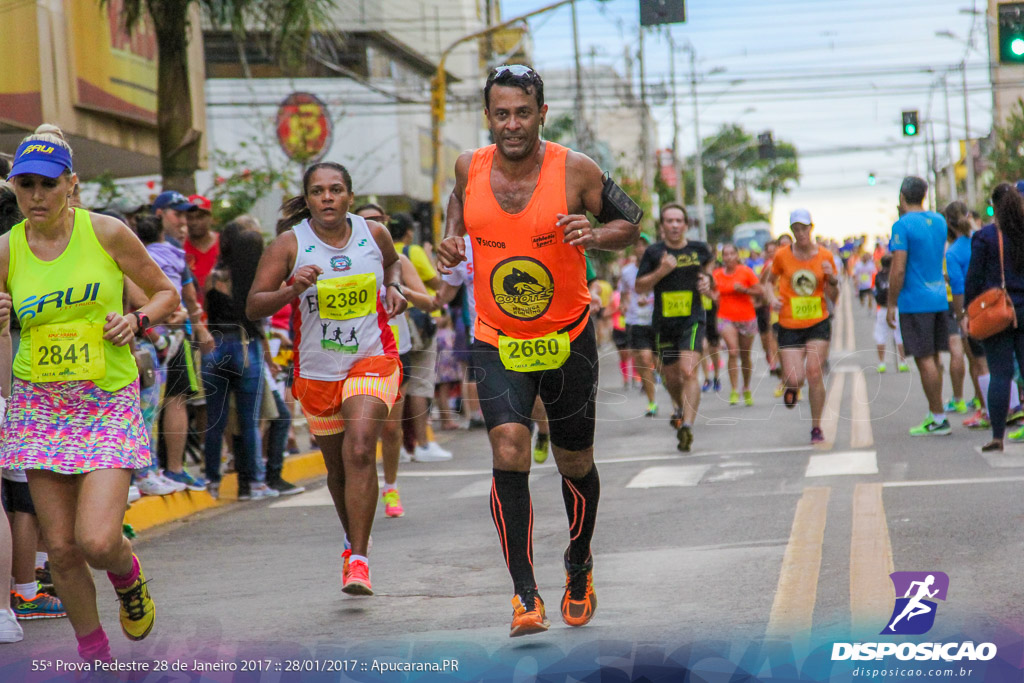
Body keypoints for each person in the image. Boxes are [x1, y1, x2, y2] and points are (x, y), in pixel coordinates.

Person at [435, 65, 639, 636]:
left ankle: (579, 563)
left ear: (541, 113)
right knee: (507, 444)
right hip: (497, 337)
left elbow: (630, 222)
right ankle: (525, 595)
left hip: (567, 335)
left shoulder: (576, 168)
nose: (512, 124)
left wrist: (594, 234)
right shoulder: (467, 166)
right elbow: (458, 205)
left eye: (523, 112)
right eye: (501, 113)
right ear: (488, 117)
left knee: (575, 460)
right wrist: (453, 239)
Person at [0, 125, 179, 658]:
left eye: (47, 185)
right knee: (60, 547)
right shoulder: (7, 250)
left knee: (97, 540)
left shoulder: (107, 233)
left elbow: (165, 293)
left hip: (105, 400)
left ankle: (127, 576)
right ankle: (93, 652)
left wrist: (137, 320)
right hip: (38, 404)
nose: (36, 196)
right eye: (25, 184)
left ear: (71, 185)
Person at [247, 162, 406, 595]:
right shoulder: (288, 245)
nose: (328, 198)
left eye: (336, 190)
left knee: (359, 450)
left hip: (372, 359)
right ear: (309, 199)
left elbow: (392, 266)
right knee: (337, 469)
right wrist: (291, 289)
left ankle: (358, 561)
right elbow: (254, 305)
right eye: (318, 192)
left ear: (350, 196)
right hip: (317, 372)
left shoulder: (373, 234)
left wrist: (394, 289)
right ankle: (354, 536)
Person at [635, 203, 712, 451]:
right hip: (664, 324)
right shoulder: (654, 253)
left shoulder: (699, 249)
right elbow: (640, 287)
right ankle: (680, 407)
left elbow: (709, 273)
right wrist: (661, 271)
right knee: (672, 378)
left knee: (689, 371)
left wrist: (707, 281)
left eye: (679, 221)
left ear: (686, 225)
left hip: (692, 319)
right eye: (669, 221)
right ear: (662, 226)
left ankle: (687, 426)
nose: (675, 225)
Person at [767, 209, 839, 444]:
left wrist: (833, 280)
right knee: (796, 378)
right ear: (792, 231)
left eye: (804, 228)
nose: (800, 233)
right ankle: (791, 386)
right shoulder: (781, 255)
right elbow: (769, 283)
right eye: (796, 229)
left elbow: (834, 296)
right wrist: (771, 298)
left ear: (811, 228)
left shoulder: (825, 256)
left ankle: (816, 427)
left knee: (814, 373)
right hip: (789, 322)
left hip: (818, 321)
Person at [887, 177, 952, 436]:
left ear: (902, 197)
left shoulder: (901, 226)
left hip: (915, 301)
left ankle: (938, 417)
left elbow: (898, 268)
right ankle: (936, 412)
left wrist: (891, 302)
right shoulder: (939, 221)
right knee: (934, 358)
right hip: (938, 298)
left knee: (925, 360)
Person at [965, 183, 1024, 452]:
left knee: (1000, 374)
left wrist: (968, 311)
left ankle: (998, 436)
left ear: (995, 207)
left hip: (998, 313)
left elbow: (973, 278)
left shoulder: (986, 237)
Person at [712, 243, 762, 406]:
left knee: (745, 355)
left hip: (746, 317)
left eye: (731, 254)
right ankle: (734, 390)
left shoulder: (746, 271)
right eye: (725, 254)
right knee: (733, 351)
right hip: (725, 317)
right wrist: (711, 295)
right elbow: (713, 294)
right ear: (722, 257)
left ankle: (746, 387)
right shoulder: (717, 274)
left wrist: (745, 290)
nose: (728, 257)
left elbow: (759, 290)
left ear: (737, 255)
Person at [619, 235, 658, 414]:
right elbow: (623, 293)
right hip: (636, 320)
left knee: (661, 364)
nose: (640, 248)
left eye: (644, 245)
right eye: (637, 245)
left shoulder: (657, 268)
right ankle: (652, 402)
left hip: (656, 319)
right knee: (643, 359)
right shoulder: (626, 271)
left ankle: (675, 400)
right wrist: (623, 304)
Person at [873, 255, 910, 374]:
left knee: (881, 335)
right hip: (896, 307)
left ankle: (881, 363)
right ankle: (903, 362)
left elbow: (875, 291)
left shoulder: (878, 276)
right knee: (900, 335)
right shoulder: (896, 275)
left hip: (883, 308)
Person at [184, 194, 219, 296]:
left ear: (210, 218)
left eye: (200, 217)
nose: (194, 222)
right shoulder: (179, 248)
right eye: (189, 218)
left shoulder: (224, 243)